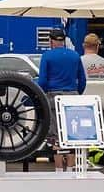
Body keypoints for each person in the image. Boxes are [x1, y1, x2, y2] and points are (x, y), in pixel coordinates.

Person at [36, 28, 86, 172]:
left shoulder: (47, 56)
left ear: (51, 41)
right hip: (72, 96)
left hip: (54, 96)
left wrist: (42, 95)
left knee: (56, 135)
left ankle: (59, 170)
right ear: (63, 40)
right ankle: (70, 168)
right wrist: (77, 93)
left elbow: (43, 81)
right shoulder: (75, 55)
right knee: (71, 133)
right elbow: (82, 80)